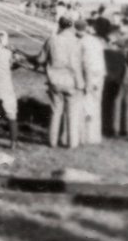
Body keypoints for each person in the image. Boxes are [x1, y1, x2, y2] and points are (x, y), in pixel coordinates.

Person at [41, 15, 84, 148]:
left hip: (55, 80)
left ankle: (52, 142)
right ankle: (72, 143)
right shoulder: (77, 42)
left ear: (59, 25)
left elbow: (40, 59)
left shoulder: (51, 40)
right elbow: (79, 63)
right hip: (72, 80)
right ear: (71, 26)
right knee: (72, 113)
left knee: (55, 111)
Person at [78, 19, 107, 145]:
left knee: (87, 106)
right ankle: (94, 136)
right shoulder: (97, 42)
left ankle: (86, 135)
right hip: (99, 76)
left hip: (90, 76)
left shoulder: (82, 42)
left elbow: (85, 63)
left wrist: (87, 81)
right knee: (96, 105)